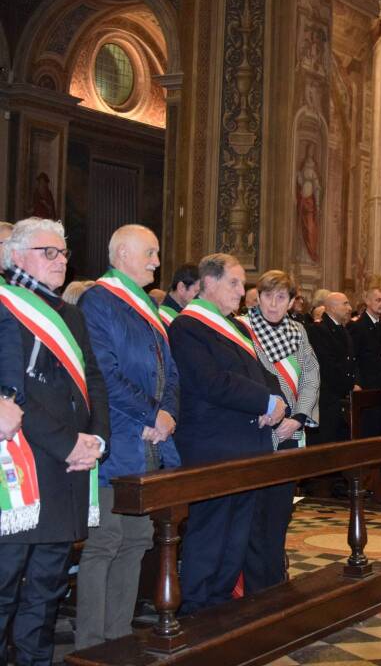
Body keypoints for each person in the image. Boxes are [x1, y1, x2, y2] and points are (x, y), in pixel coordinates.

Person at [0, 217, 109, 665]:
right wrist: (68, 443)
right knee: (4, 588)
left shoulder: (70, 313)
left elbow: (94, 381)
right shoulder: (7, 305)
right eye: (50, 252)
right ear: (17, 255)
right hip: (26, 468)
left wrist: (97, 439)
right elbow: (17, 399)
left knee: (47, 591)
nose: (61, 261)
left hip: (69, 472)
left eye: (64, 253)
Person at [75, 225, 181, 650]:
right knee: (106, 541)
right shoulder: (98, 300)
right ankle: (90, 643)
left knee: (137, 539)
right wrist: (150, 413)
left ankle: (118, 635)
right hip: (117, 438)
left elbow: (169, 371)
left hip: (151, 440)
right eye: (150, 253)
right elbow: (101, 372)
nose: (158, 261)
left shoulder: (143, 306)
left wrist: (168, 412)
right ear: (122, 253)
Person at [169, 253, 286, 613]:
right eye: (234, 282)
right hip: (213, 446)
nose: (242, 290)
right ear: (210, 283)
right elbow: (212, 382)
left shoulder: (234, 326)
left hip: (247, 444)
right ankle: (196, 609)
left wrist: (276, 401)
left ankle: (220, 606)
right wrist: (265, 403)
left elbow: (261, 376)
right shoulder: (188, 327)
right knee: (210, 533)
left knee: (237, 534)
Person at [244, 270, 320, 590]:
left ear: (291, 302)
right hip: (258, 432)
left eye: (281, 298)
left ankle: (275, 580)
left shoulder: (298, 331)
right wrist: (272, 415)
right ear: (257, 297)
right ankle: (253, 585)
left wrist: (299, 416)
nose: (273, 304)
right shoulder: (243, 328)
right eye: (267, 296)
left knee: (280, 510)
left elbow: (311, 375)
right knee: (254, 513)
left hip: (291, 430)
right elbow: (246, 378)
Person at [306, 292, 360, 445]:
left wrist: (356, 381)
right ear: (331, 307)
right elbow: (327, 364)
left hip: (340, 398)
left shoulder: (343, 330)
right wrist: (350, 384)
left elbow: (352, 361)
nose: (349, 308)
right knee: (324, 447)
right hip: (326, 400)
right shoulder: (318, 330)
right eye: (345, 304)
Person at [348, 287, 381, 390]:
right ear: (367, 301)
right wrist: (356, 382)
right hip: (365, 384)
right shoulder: (357, 326)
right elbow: (353, 357)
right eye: (378, 300)